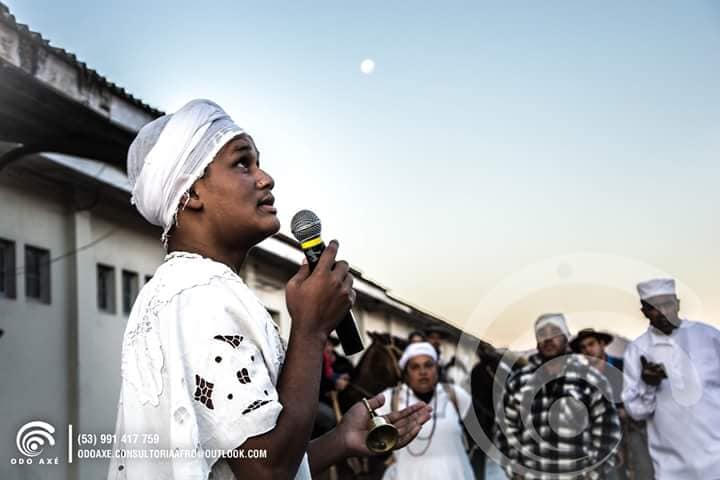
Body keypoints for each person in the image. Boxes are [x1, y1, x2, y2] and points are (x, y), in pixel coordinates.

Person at [107, 99, 431, 480]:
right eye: (243, 163)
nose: (266, 178)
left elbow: (248, 462)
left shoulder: (182, 289)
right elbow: (267, 471)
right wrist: (310, 330)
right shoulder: (200, 295)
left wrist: (341, 440)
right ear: (191, 194)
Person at [496, 314, 621, 480]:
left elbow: (608, 432)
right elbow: (504, 430)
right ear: (536, 340)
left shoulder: (591, 379)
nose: (548, 338)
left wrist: (592, 473)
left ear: (566, 337)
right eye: (542, 333)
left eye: (554, 332)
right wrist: (514, 469)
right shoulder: (518, 382)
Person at [622, 278, 720, 479]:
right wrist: (648, 386)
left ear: (678, 303)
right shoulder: (637, 351)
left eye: (667, 303)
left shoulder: (709, 336)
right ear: (644, 312)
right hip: (671, 466)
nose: (663, 311)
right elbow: (636, 413)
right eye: (654, 307)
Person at [376, 342, 475, 480]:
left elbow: (474, 435)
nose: (422, 372)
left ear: (437, 368)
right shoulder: (390, 399)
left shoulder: (455, 395)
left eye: (428, 365)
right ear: (406, 373)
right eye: (415, 367)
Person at [571, 329, 653, 480]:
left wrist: (626, 410)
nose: (588, 350)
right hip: (604, 437)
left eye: (591, 344)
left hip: (632, 429)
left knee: (644, 471)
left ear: (602, 344)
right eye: (583, 347)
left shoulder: (623, 366)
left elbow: (642, 395)